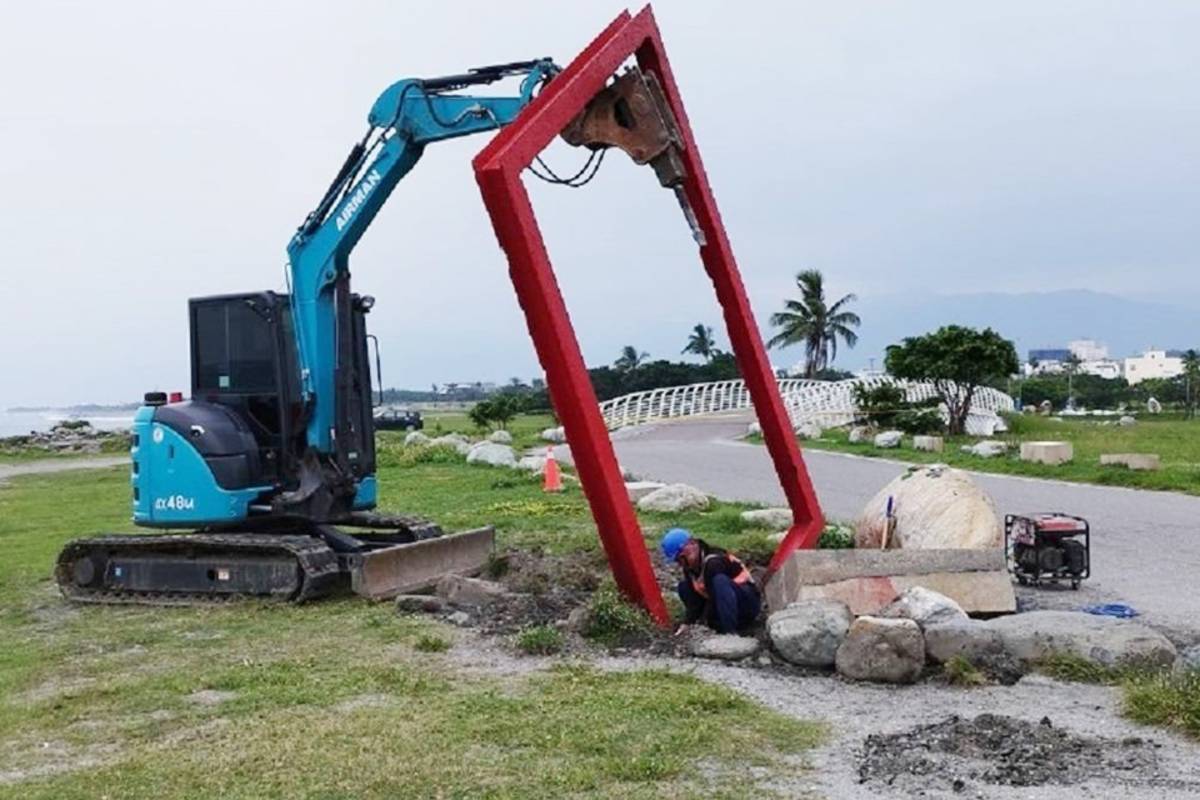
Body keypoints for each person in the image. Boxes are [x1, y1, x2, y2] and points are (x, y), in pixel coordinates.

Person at [660, 527, 761, 634]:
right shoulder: (691, 567)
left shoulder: (714, 562)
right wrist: (687, 622)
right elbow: (695, 601)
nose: (680, 563)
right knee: (684, 587)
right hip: (723, 601)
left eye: (681, 558)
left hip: (746, 603)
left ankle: (730, 632)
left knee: (719, 582)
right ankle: (711, 623)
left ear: (692, 545)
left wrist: (708, 623)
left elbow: (716, 596)